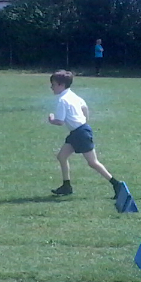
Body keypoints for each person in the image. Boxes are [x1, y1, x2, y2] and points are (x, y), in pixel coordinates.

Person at [46, 70, 124, 198]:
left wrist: (51, 119)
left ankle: (117, 184)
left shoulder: (62, 100)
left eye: (53, 85)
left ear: (61, 85)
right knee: (61, 156)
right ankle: (67, 186)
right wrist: (84, 122)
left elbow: (59, 122)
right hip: (79, 132)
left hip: (80, 133)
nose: (51, 87)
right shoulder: (73, 95)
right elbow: (84, 107)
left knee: (93, 162)